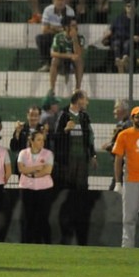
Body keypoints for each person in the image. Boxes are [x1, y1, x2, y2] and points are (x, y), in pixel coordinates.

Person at [52, 89, 96, 246]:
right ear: (78, 100)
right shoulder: (63, 115)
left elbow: (89, 137)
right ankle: (66, 227)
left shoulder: (84, 117)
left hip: (81, 161)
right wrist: (65, 130)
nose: (87, 102)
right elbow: (55, 138)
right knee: (68, 193)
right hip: (67, 162)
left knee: (81, 192)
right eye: (85, 99)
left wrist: (92, 155)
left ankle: (80, 226)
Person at [112, 105, 139, 248]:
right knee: (129, 217)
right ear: (132, 118)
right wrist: (118, 182)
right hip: (131, 180)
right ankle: (127, 247)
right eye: (138, 116)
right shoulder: (124, 135)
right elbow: (118, 159)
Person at [18, 129, 55, 244]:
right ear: (31, 141)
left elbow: (47, 170)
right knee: (28, 217)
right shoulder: (23, 153)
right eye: (38, 140)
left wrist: (31, 174)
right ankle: (28, 242)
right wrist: (36, 168)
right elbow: (21, 169)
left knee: (43, 217)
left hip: (44, 189)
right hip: (27, 188)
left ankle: (45, 242)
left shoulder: (48, 154)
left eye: (42, 140)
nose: (42, 142)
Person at [35, 0, 75, 71]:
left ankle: (69, 65)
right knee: (40, 38)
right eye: (58, 0)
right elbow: (44, 30)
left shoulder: (70, 11)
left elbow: (71, 30)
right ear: (53, 1)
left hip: (65, 36)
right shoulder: (47, 10)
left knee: (72, 39)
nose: (60, 3)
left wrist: (53, 27)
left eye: (62, 0)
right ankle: (46, 64)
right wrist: (61, 29)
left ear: (66, 1)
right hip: (52, 35)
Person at [103, 0, 139, 73]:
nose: (130, 8)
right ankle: (119, 61)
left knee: (127, 43)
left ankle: (123, 60)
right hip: (119, 40)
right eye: (128, 6)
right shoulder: (118, 19)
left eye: (132, 6)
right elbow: (113, 31)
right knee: (117, 43)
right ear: (125, 7)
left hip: (133, 43)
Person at [49, 17, 85, 96]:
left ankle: (77, 89)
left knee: (79, 60)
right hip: (62, 61)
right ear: (66, 27)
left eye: (76, 25)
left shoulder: (80, 38)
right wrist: (69, 55)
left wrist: (74, 38)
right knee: (54, 60)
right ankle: (52, 89)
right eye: (73, 25)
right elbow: (53, 53)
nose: (75, 27)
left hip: (73, 62)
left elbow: (78, 53)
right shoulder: (58, 37)